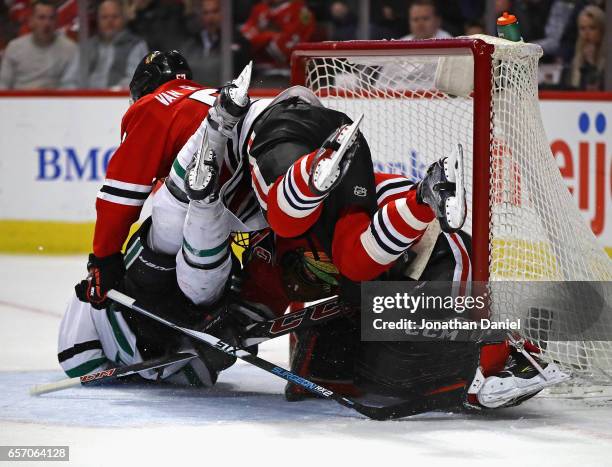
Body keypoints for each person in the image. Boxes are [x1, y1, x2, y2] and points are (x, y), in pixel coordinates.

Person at [60, 0, 148, 89]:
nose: (110, 21)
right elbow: (69, 80)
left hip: (119, 100)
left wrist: (112, 92)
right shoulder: (87, 47)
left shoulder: (136, 45)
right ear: (98, 20)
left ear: (123, 19)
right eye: (104, 17)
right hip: (85, 99)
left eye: (115, 16)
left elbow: (137, 79)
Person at [0, 0, 76, 89]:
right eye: (41, 18)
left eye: (51, 18)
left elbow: (71, 85)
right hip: (20, 99)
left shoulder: (70, 49)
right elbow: (3, 83)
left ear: (56, 22)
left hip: (54, 100)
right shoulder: (14, 48)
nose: (47, 23)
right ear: (31, 21)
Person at [566, 4, 606, 91]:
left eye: (592, 28)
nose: (586, 33)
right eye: (582, 28)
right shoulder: (576, 60)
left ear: (602, 29)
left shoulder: (608, 63)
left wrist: (591, 64)